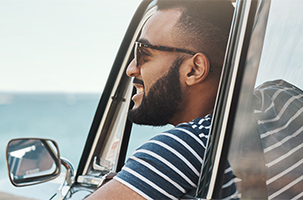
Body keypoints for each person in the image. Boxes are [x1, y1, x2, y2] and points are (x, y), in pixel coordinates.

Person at [86, 0, 237, 199]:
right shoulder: (277, 100)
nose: (131, 69)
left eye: (143, 53)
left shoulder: (184, 148)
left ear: (194, 69)